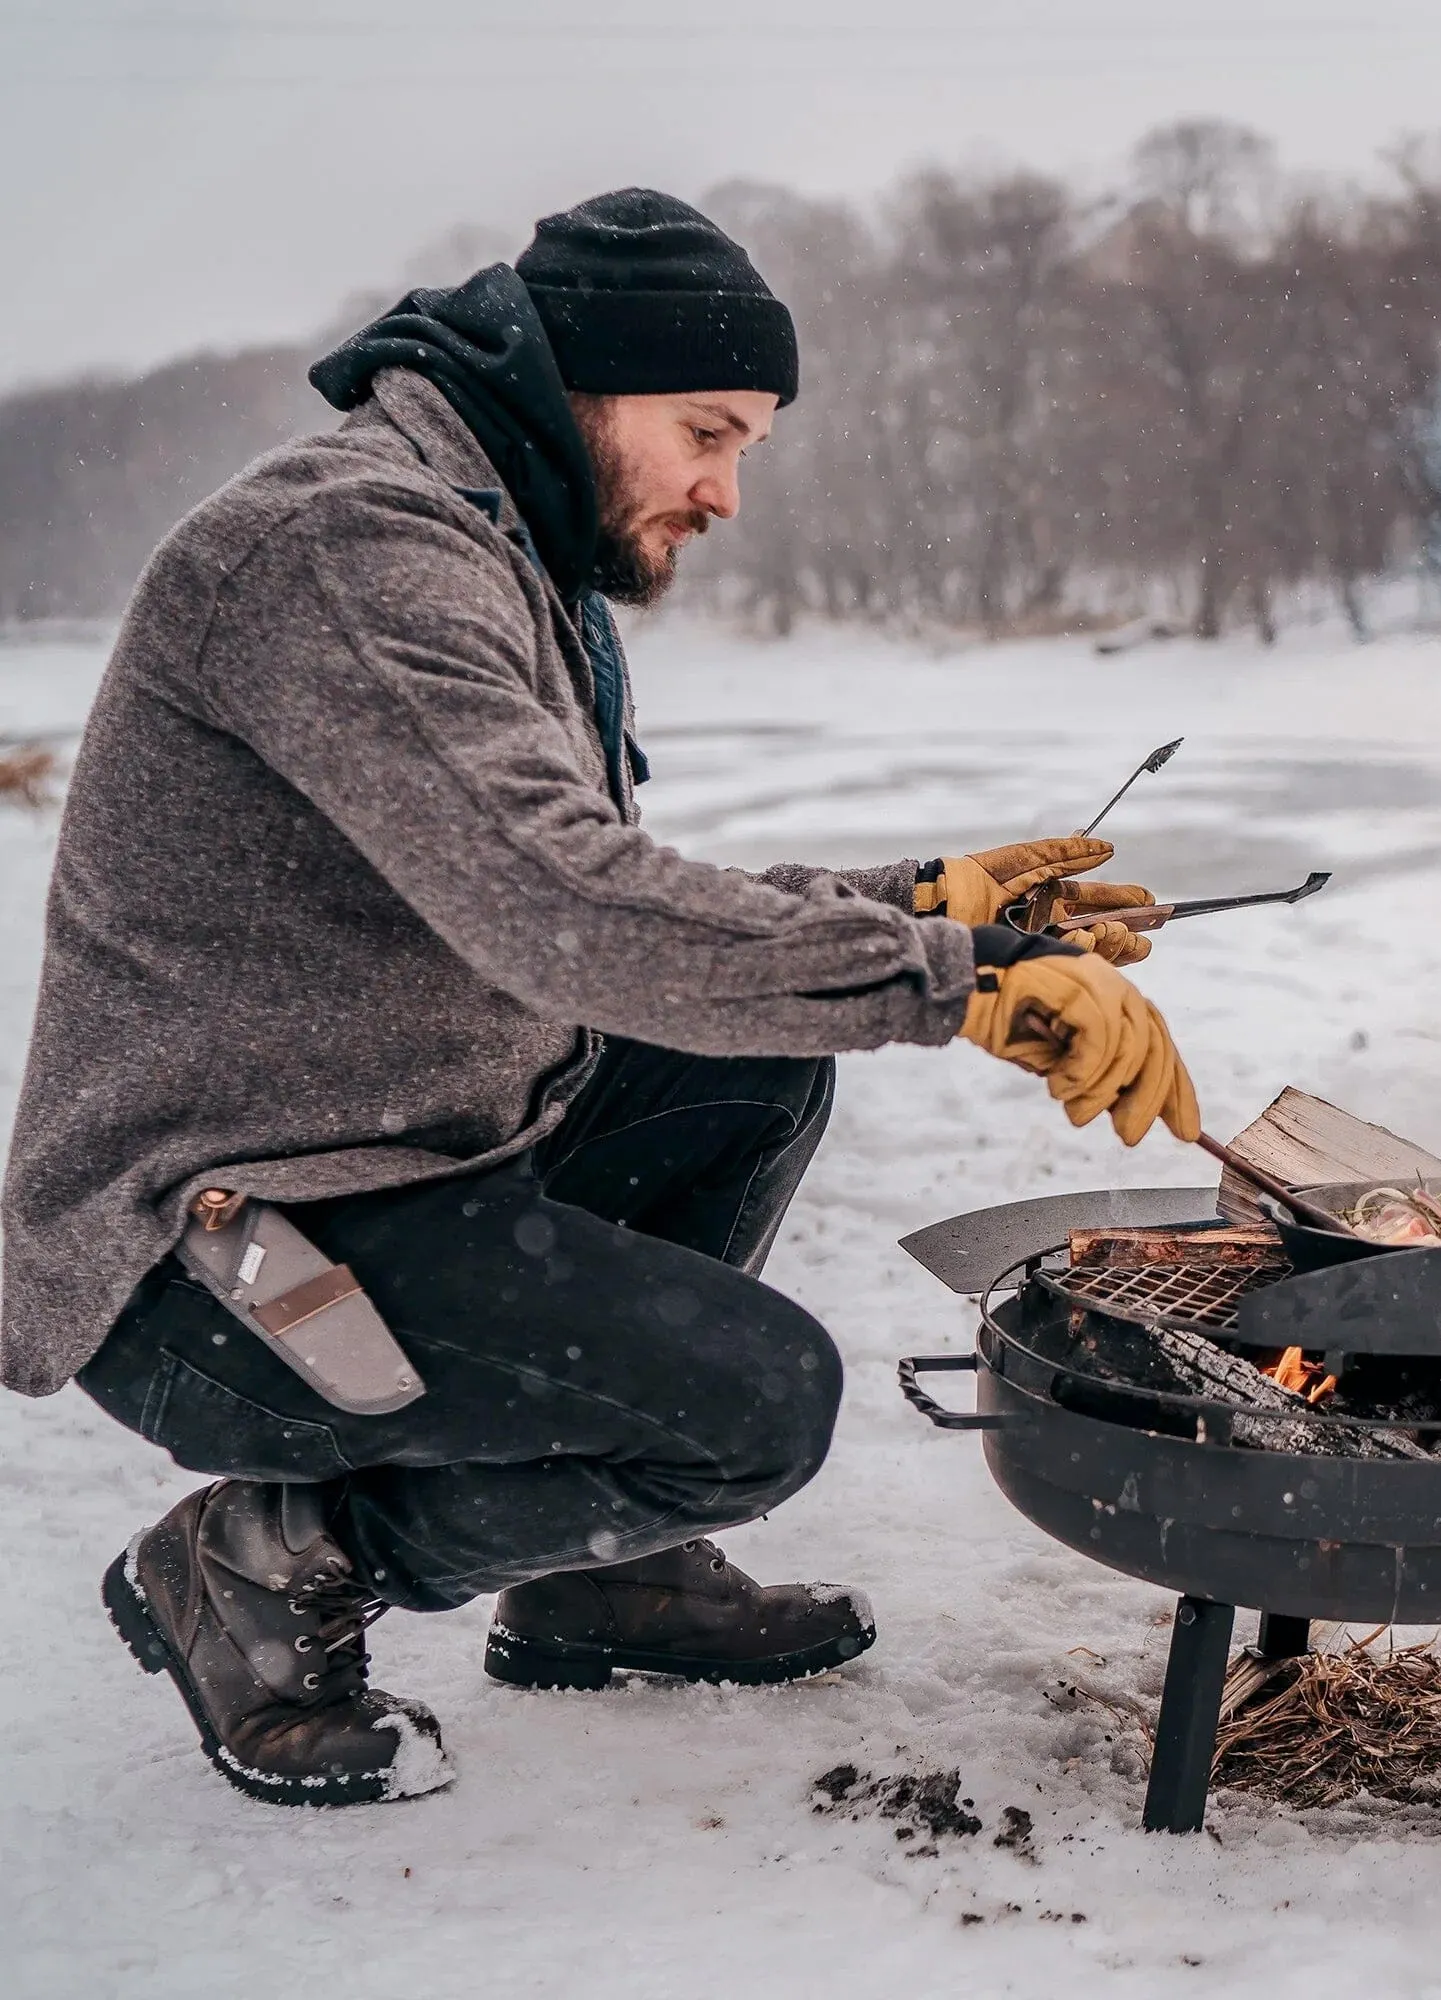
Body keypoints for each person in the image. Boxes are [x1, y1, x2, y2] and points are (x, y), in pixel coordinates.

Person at [0, 189, 1199, 1807]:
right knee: (756, 1406)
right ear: (579, 388)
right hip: (219, 1244)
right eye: (708, 433)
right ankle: (267, 1558)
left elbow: (596, 893)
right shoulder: (343, 549)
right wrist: (958, 981)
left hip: (398, 1149)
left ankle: (596, 1575)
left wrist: (916, 901)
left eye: (746, 449)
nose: (722, 491)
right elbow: (569, 917)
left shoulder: (496, 545)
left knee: (751, 1072)